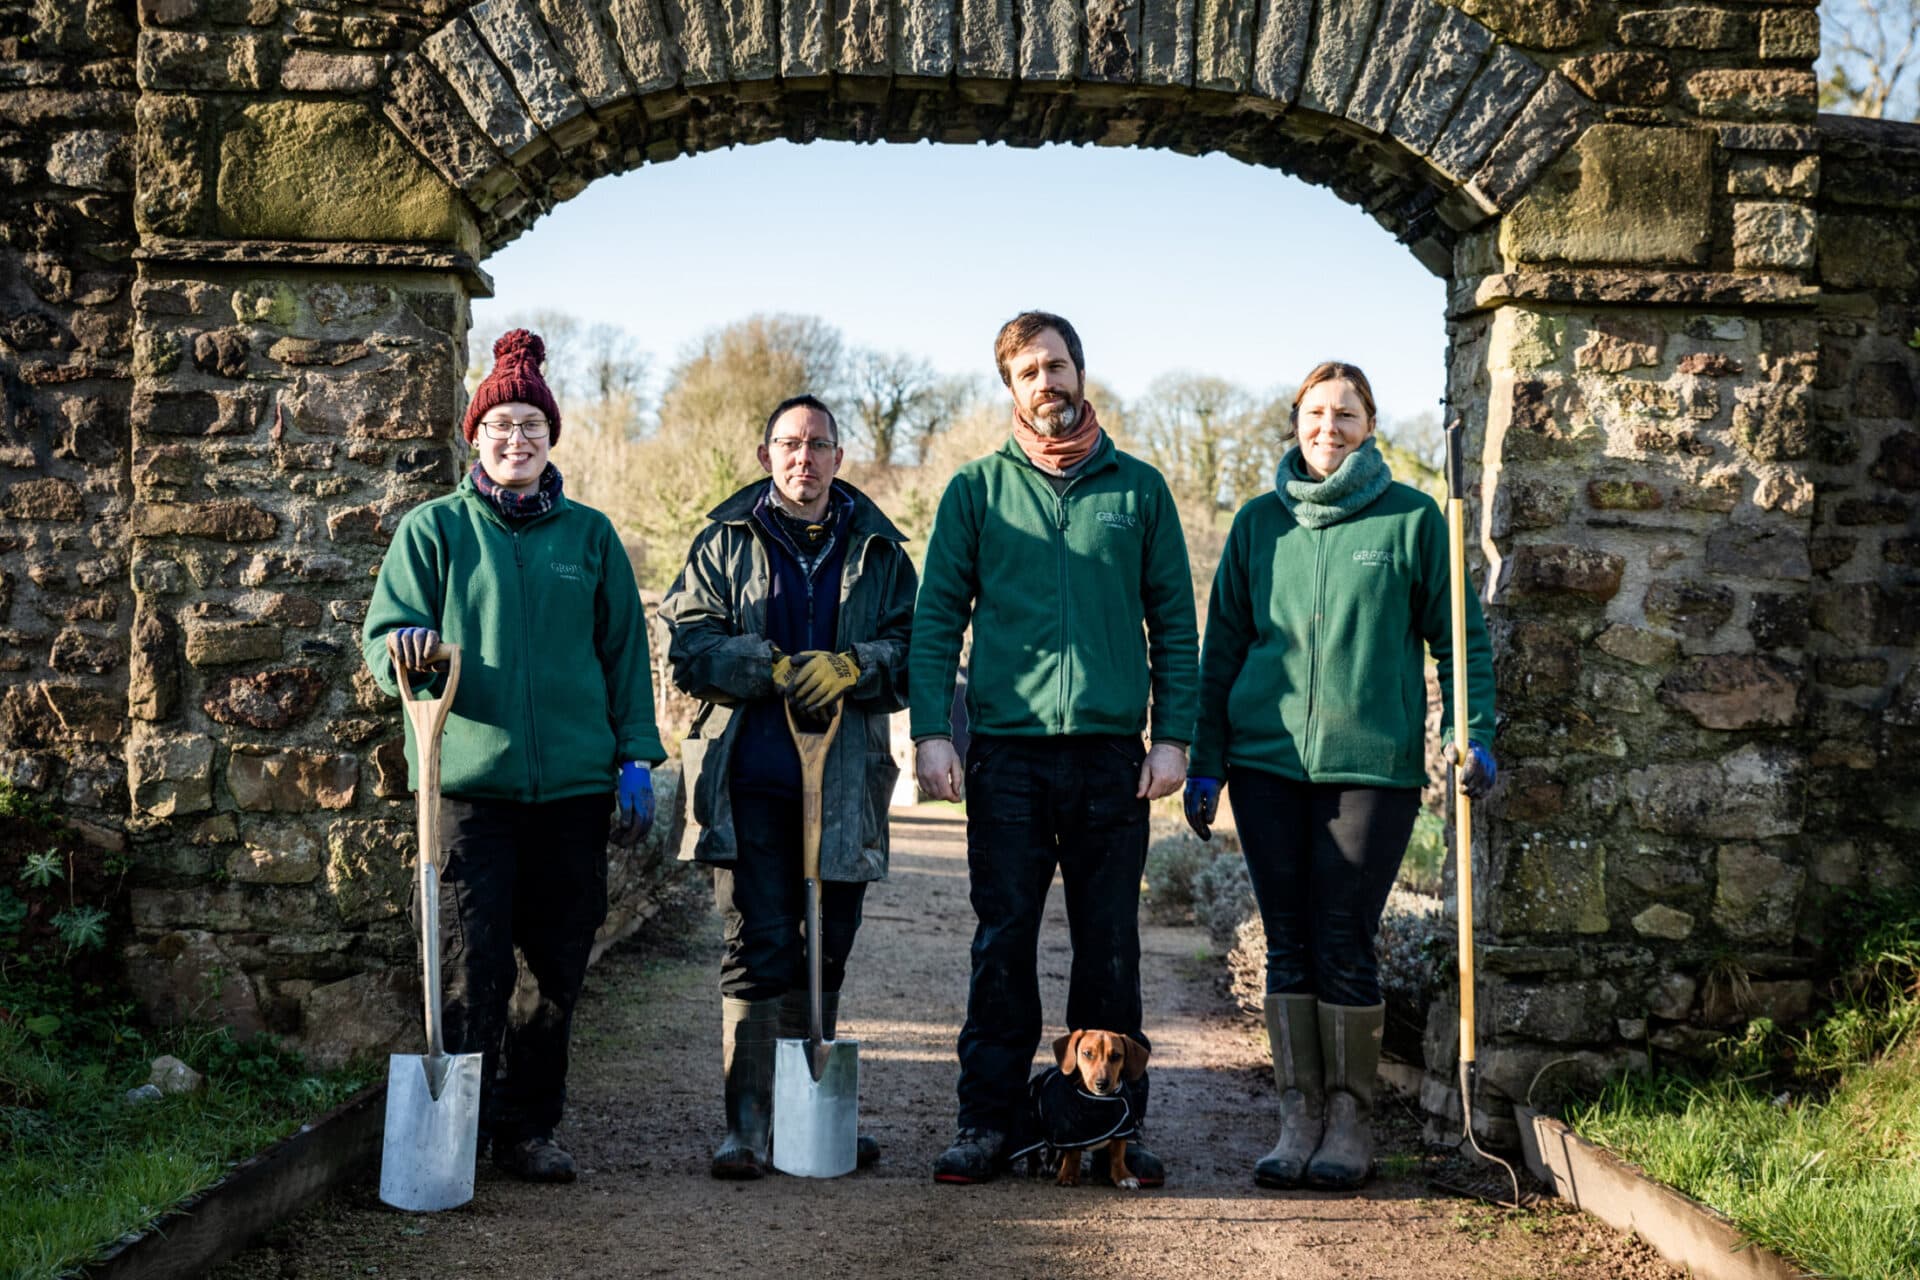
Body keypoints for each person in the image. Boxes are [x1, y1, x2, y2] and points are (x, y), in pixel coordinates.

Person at [361, 328, 665, 1184]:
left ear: (550, 437)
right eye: (501, 426)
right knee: (473, 965)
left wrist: (635, 758)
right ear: (477, 437)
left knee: (557, 971)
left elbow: (624, 658)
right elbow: (384, 633)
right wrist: (406, 649)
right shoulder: (435, 531)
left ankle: (529, 1129)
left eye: (532, 425)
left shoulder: (591, 538)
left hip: (571, 790)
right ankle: (459, 1126)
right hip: (469, 788)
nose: (517, 440)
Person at [1183, 361, 1496, 1191]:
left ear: (1370, 424)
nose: (1330, 427)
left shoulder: (1412, 521)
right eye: (1316, 413)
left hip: (1372, 769)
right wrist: (1206, 760)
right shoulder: (1258, 526)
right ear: (1295, 422)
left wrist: (1473, 732)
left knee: (1344, 938)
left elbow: (1460, 642)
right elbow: (1221, 658)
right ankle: (1299, 1115)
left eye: (1347, 414)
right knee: (1287, 940)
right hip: (1265, 767)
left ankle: (1351, 1118)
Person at [913, 310, 1199, 1186]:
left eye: (1059, 365)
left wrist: (1174, 736)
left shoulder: (1139, 491)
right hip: (1007, 755)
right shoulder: (976, 491)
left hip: (1112, 757)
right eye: (1030, 370)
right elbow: (935, 620)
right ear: (1011, 387)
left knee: (1109, 944)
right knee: (1002, 942)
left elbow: (1176, 627)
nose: (1048, 382)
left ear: (1082, 372)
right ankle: (987, 1123)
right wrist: (932, 730)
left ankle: (1113, 1130)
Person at [659, 394, 917, 1180]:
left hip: (842, 786)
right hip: (750, 782)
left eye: (818, 445)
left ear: (840, 457)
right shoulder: (724, 543)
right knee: (759, 943)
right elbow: (688, 644)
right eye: (788, 444)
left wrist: (857, 665)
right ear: (766, 454)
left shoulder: (879, 549)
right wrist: (766, 666)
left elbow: (916, 649)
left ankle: (810, 1111)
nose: (803, 459)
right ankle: (749, 1124)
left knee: (826, 949)